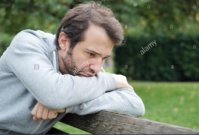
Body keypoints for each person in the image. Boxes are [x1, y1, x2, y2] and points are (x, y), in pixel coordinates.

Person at [0, 2, 145, 134]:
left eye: (104, 58)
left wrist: (68, 106)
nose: (97, 68)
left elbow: (135, 104)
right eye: (91, 54)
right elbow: (54, 94)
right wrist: (113, 80)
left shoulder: (86, 70)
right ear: (64, 41)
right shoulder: (27, 44)